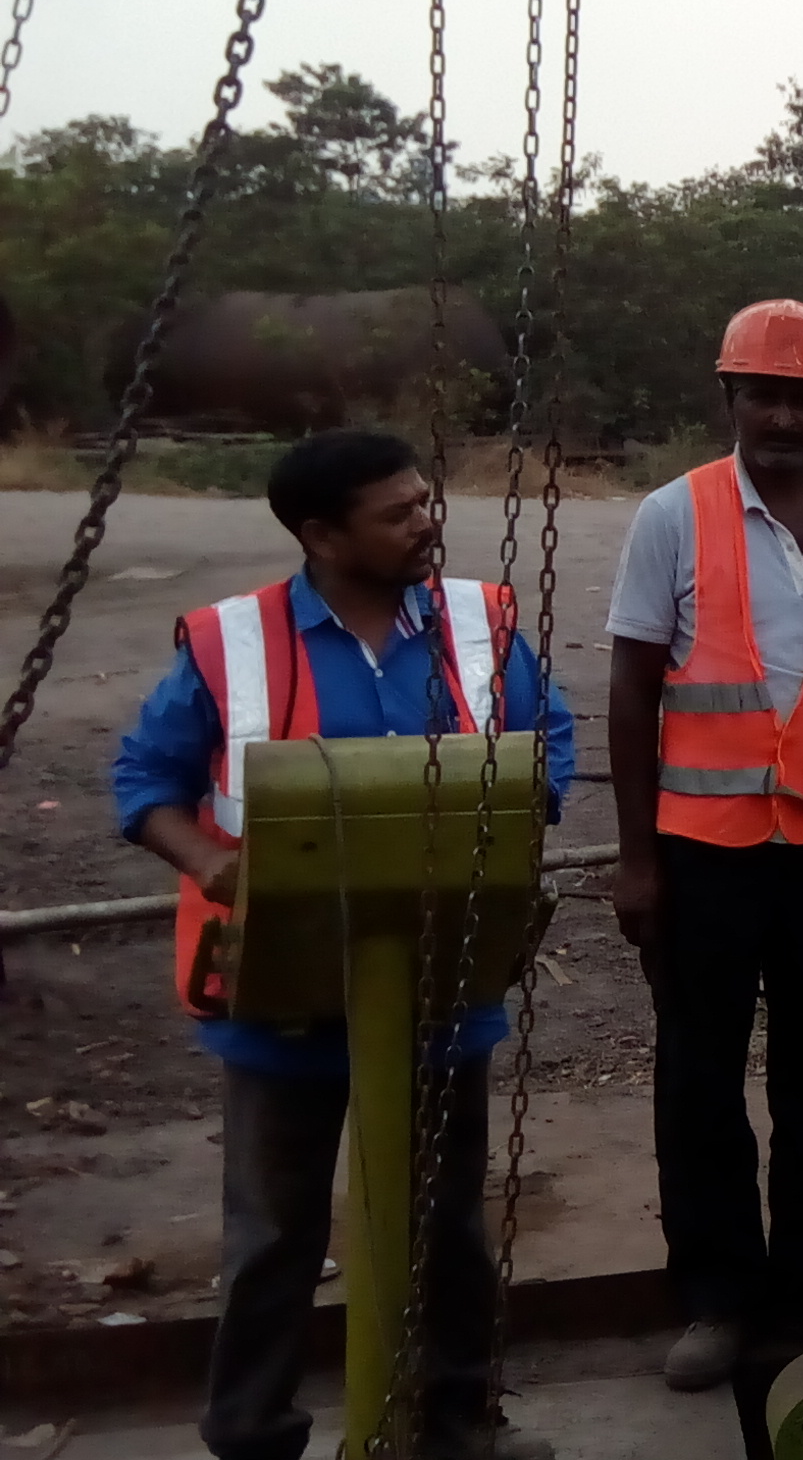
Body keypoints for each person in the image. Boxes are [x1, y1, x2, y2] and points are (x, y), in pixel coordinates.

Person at [113, 429, 574, 1460]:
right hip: (279, 993)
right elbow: (145, 781)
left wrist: (514, 810)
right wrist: (209, 861)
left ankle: (456, 1424)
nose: (426, 523)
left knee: (446, 1224)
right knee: (275, 1233)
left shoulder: (475, 623)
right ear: (322, 535)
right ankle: (252, 1434)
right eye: (397, 513)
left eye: (425, 501)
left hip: (440, 978)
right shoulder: (233, 642)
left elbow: (547, 735)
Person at [604, 299, 803, 1390]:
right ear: (730, 398)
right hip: (705, 851)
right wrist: (637, 860)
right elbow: (631, 687)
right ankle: (715, 1298)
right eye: (764, 394)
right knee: (699, 1080)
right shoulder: (674, 514)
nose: (784, 415)